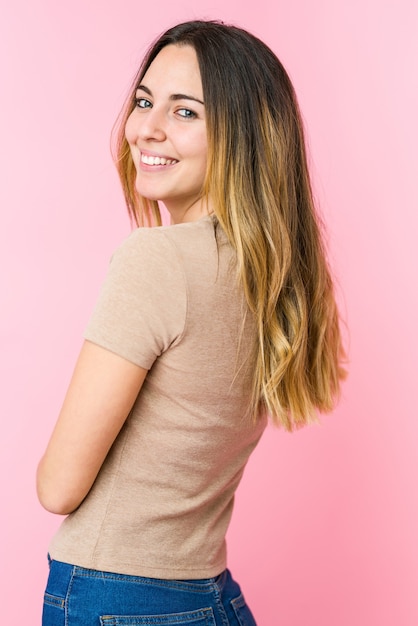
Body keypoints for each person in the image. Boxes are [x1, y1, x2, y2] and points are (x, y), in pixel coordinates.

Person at [37, 19, 346, 626]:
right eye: (146, 101)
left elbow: (58, 487)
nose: (146, 127)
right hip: (210, 598)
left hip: (116, 599)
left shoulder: (155, 261)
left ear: (244, 136)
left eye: (185, 113)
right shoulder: (270, 273)